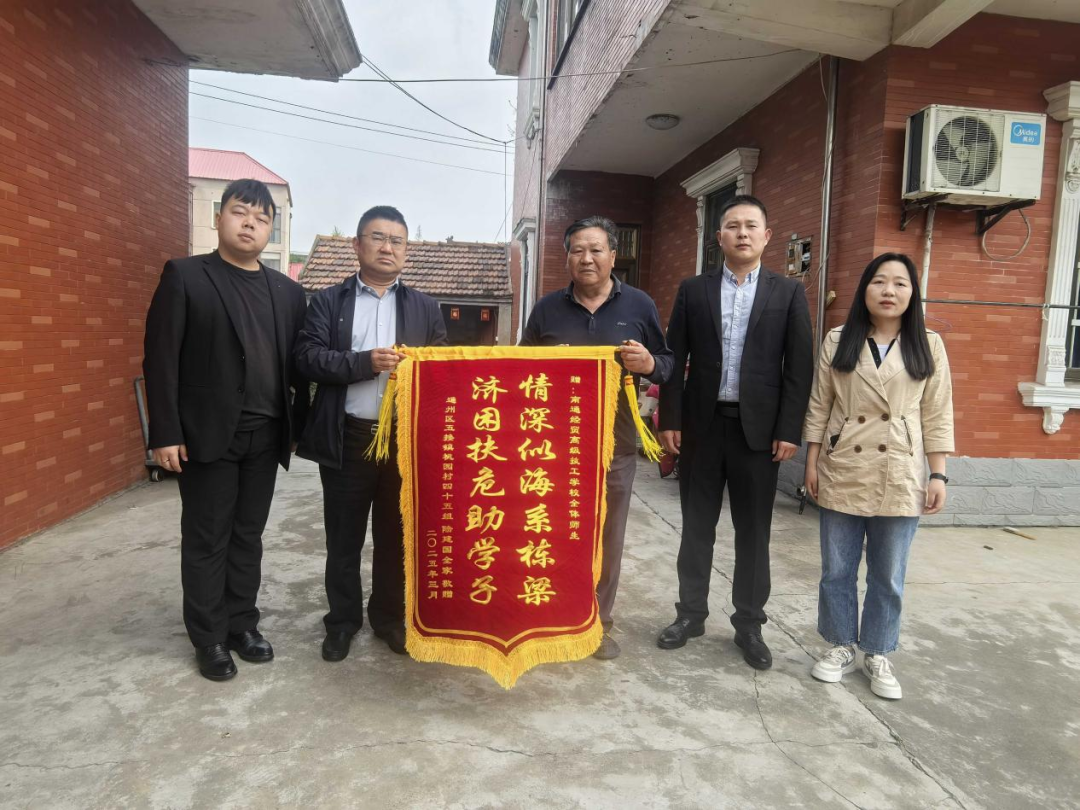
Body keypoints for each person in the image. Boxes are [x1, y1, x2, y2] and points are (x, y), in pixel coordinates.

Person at [143, 178, 310, 681]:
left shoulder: (288, 292)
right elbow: (160, 359)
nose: (250, 224)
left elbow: (297, 366)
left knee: (247, 536)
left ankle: (242, 624)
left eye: (262, 218)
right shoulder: (185, 276)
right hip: (206, 434)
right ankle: (209, 637)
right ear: (219, 218)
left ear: (271, 229)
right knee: (207, 538)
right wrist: (164, 432)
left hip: (267, 433)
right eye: (240, 212)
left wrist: (297, 426)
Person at [656, 194, 813, 670]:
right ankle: (690, 615)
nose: (742, 233)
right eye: (732, 225)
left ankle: (749, 624)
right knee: (696, 528)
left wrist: (789, 428)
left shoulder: (788, 293)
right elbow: (673, 358)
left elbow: (799, 367)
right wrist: (670, 419)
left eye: (751, 225)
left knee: (753, 533)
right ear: (718, 236)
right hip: (701, 428)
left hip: (758, 435)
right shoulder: (693, 289)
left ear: (766, 236)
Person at [295, 205, 447, 662]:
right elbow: (307, 357)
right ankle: (342, 622)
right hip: (349, 437)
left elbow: (441, 369)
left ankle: (389, 619)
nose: (387, 248)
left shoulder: (425, 307)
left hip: (403, 440)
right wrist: (365, 363)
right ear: (357, 245)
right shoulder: (329, 301)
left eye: (396, 241)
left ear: (406, 252)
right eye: (378, 238)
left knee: (395, 537)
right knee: (343, 539)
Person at [521, 215, 673, 660]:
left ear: (613, 255)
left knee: (608, 535)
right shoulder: (546, 309)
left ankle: (596, 623)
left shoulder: (640, 305)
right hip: (552, 447)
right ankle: (550, 614)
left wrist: (649, 364)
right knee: (552, 531)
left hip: (615, 444)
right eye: (578, 250)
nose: (587, 258)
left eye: (596, 249)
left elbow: (666, 362)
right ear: (567, 257)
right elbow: (519, 369)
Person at [803, 252, 953, 700]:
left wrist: (939, 474)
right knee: (837, 570)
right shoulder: (838, 339)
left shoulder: (929, 344)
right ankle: (840, 645)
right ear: (865, 289)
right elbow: (820, 403)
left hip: (901, 469)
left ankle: (878, 650)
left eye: (900, 283)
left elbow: (937, 413)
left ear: (912, 293)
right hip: (843, 464)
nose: (889, 291)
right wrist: (811, 461)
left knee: (888, 575)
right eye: (879, 282)